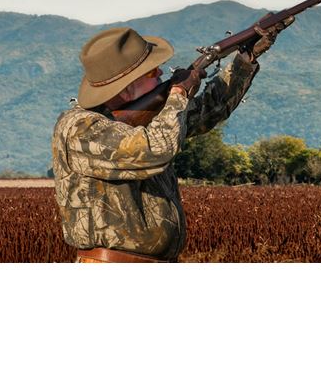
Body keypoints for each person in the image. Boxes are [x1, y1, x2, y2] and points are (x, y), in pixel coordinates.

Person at [52, 19, 294, 263]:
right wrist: (178, 94)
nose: (160, 72)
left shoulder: (150, 117)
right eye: (151, 71)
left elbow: (209, 111)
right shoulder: (79, 128)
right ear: (125, 88)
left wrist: (245, 59)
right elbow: (156, 149)